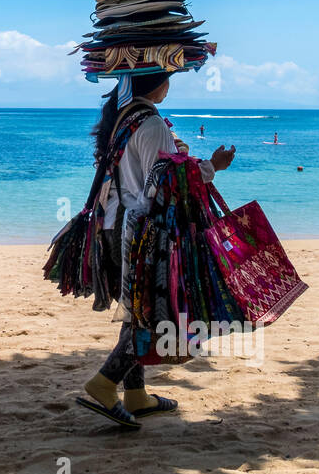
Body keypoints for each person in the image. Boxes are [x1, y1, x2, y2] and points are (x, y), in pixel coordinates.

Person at [75, 71, 235, 429]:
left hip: (111, 224)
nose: (169, 86)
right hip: (141, 231)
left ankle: (136, 396)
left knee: (135, 310)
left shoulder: (122, 118)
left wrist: (178, 156)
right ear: (155, 84)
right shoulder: (151, 123)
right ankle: (103, 383)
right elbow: (164, 184)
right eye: (168, 79)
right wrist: (212, 166)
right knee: (150, 313)